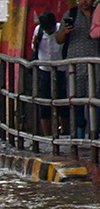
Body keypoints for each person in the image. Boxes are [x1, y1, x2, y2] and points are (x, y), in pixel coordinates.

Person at [55, 0, 99, 137]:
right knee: (78, 101)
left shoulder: (98, 13)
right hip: (76, 66)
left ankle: (95, 135)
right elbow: (58, 39)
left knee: (97, 100)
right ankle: (79, 137)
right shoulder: (71, 14)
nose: (84, 2)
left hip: (96, 65)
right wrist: (65, 32)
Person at [31, 10, 62, 138]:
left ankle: (64, 130)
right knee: (44, 102)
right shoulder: (38, 30)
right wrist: (35, 42)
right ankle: (47, 134)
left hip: (61, 68)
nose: (49, 32)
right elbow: (34, 48)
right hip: (44, 69)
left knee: (63, 100)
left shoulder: (61, 29)